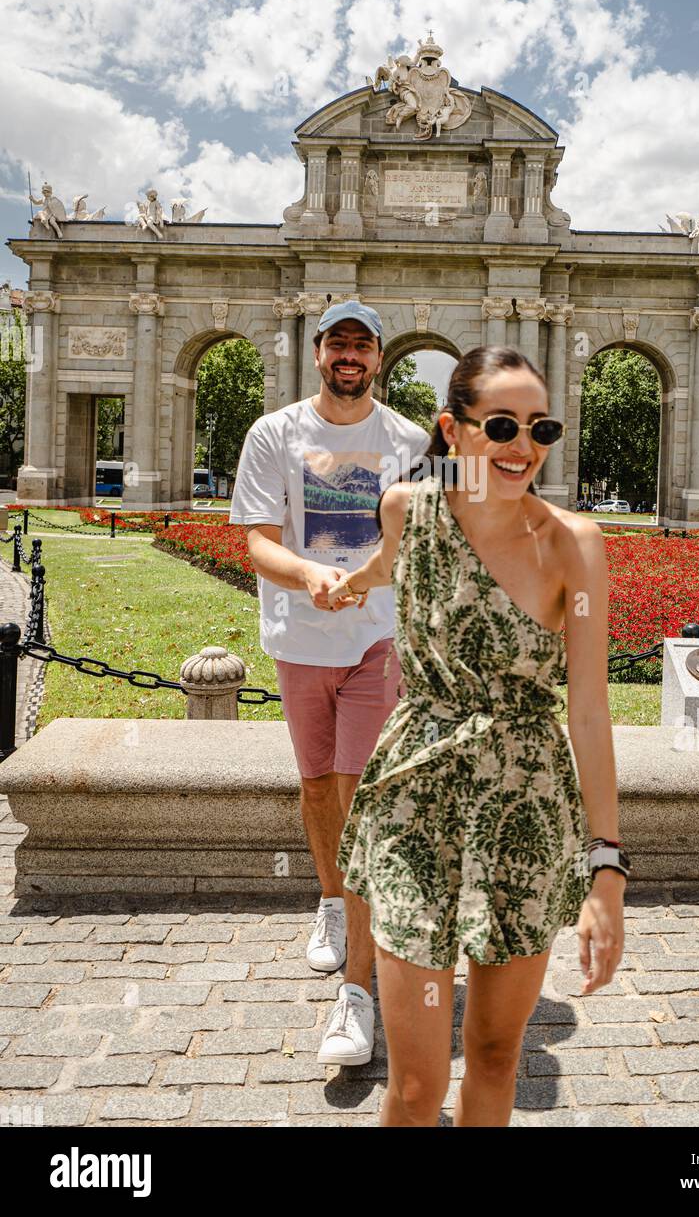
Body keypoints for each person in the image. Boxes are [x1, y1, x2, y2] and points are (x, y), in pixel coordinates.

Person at [327, 345, 628, 1127]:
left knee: (495, 1059)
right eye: (499, 425)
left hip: (524, 812)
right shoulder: (406, 508)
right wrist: (343, 584)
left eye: (540, 427)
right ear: (452, 431)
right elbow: (389, 564)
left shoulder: (574, 545)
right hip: (414, 804)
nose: (522, 446)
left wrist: (606, 870)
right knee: (419, 1085)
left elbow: (588, 712)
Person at [229, 300, 430, 1065]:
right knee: (317, 787)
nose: (350, 354)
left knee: (358, 795)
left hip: (376, 639)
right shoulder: (274, 433)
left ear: (379, 358)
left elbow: (422, 540)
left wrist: (363, 581)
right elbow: (256, 539)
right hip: (299, 639)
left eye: (363, 344)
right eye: (337, 342)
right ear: (318, 353)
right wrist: (312, 573)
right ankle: (331, 902)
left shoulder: (408, 440)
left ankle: (357, 996)